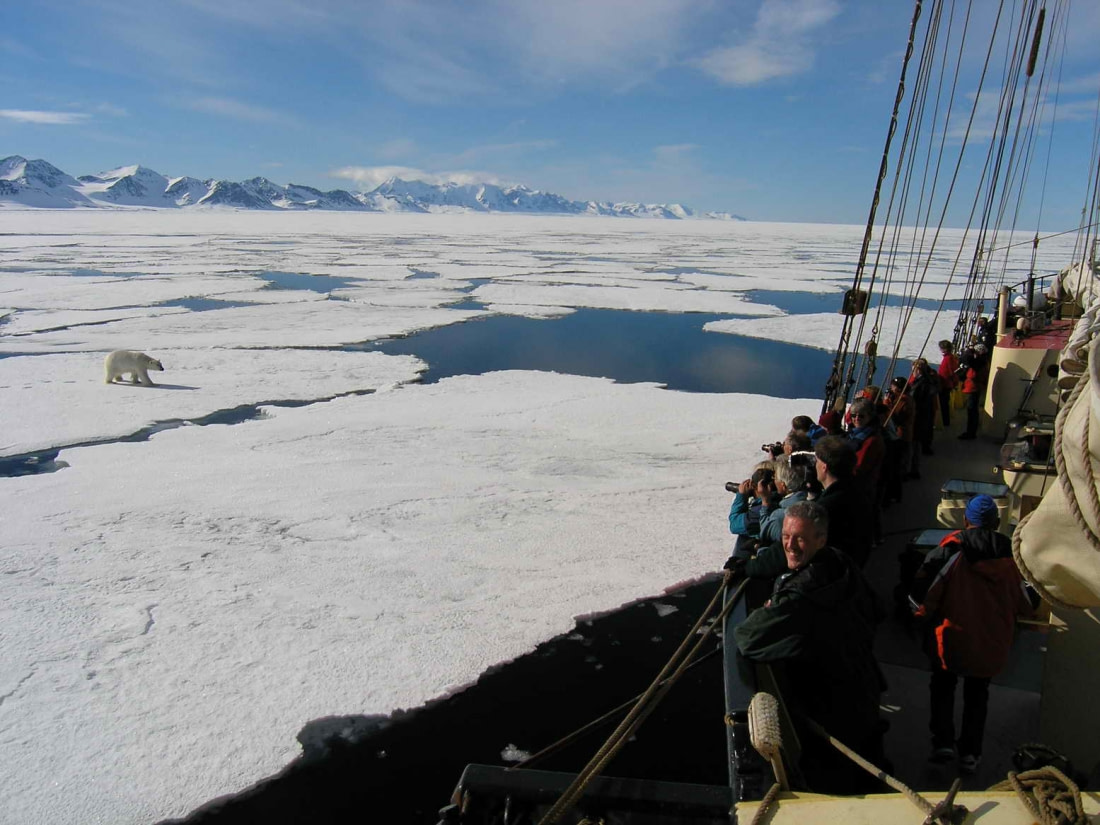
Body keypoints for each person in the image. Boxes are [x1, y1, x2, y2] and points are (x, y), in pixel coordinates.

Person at [735, 501, 886, 793]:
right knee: (870, 765)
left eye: (800, 539)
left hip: (831, 707)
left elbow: (747, 637)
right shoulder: (840, 563)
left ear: (821, 539)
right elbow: (877, 609)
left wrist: (771, 609)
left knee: (838, 784)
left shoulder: (800, 595)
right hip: (864, 682)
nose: (790, 545)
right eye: (786, 536)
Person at [909, 495, 1037, 774]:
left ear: (966, 520)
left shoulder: (950, 551)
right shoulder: (1013, 557)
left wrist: (919, 619)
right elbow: (1029, 603)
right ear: (997, 523)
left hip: (950, 641)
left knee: (942, 687)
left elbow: (922, 596)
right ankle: (970, 753)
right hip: (991, 645)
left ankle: (943, 743)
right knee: (978, 695)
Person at [813, 435, 874, 566]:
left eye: (816, 461)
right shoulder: (858, 489)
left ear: (824, 467)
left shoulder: (826, 507)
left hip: (836, 568)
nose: (814, 465)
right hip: (855, 563)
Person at [757, 456, 811, 548]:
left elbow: (764, 532)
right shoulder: (810, 498)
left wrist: (765, 502)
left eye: (775, 478)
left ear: (783, 485)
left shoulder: (780, 515)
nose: (774, 481)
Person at [728, 464, 776, 560]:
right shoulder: (780, 499)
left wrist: (741, 496)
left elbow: (735, 525)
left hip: (757, 559)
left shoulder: (761, 510)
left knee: (744, 536)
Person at [883, 377, 915, 502]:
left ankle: (895, 494)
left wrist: (887, 403)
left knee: (896, 466)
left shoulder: (904, 401)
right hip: (902, 434)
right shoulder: (903, 399)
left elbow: (894, 418)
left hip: (901, 436)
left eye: (893, 386)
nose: (891, 388)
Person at [907, 359, 941, 475]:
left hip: (919, 414)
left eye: (913, 370)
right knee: (918, 440)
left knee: (915, 442)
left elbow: (915, 398)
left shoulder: (921, 383)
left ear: (918, 370)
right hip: (925, 413)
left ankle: (913, 469)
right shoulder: (929, 381)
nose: (912, 372)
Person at [958, 346, 987, 440]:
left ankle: (970, 433)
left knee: (971, 410)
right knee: (973, 411)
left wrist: (969, 350)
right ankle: (972, 431)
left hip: (973, 389)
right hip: (975, 388)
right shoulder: (983, 362)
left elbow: (966, 359)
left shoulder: (978, 363)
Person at [937, 340, 959, 428]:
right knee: (944, 402)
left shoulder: (948, 358)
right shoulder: (949, 357)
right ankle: (945, 420)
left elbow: (950, 372)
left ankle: (945, 421)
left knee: (943, 403)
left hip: (945, 384)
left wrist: (952, 381)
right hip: (945, 383)